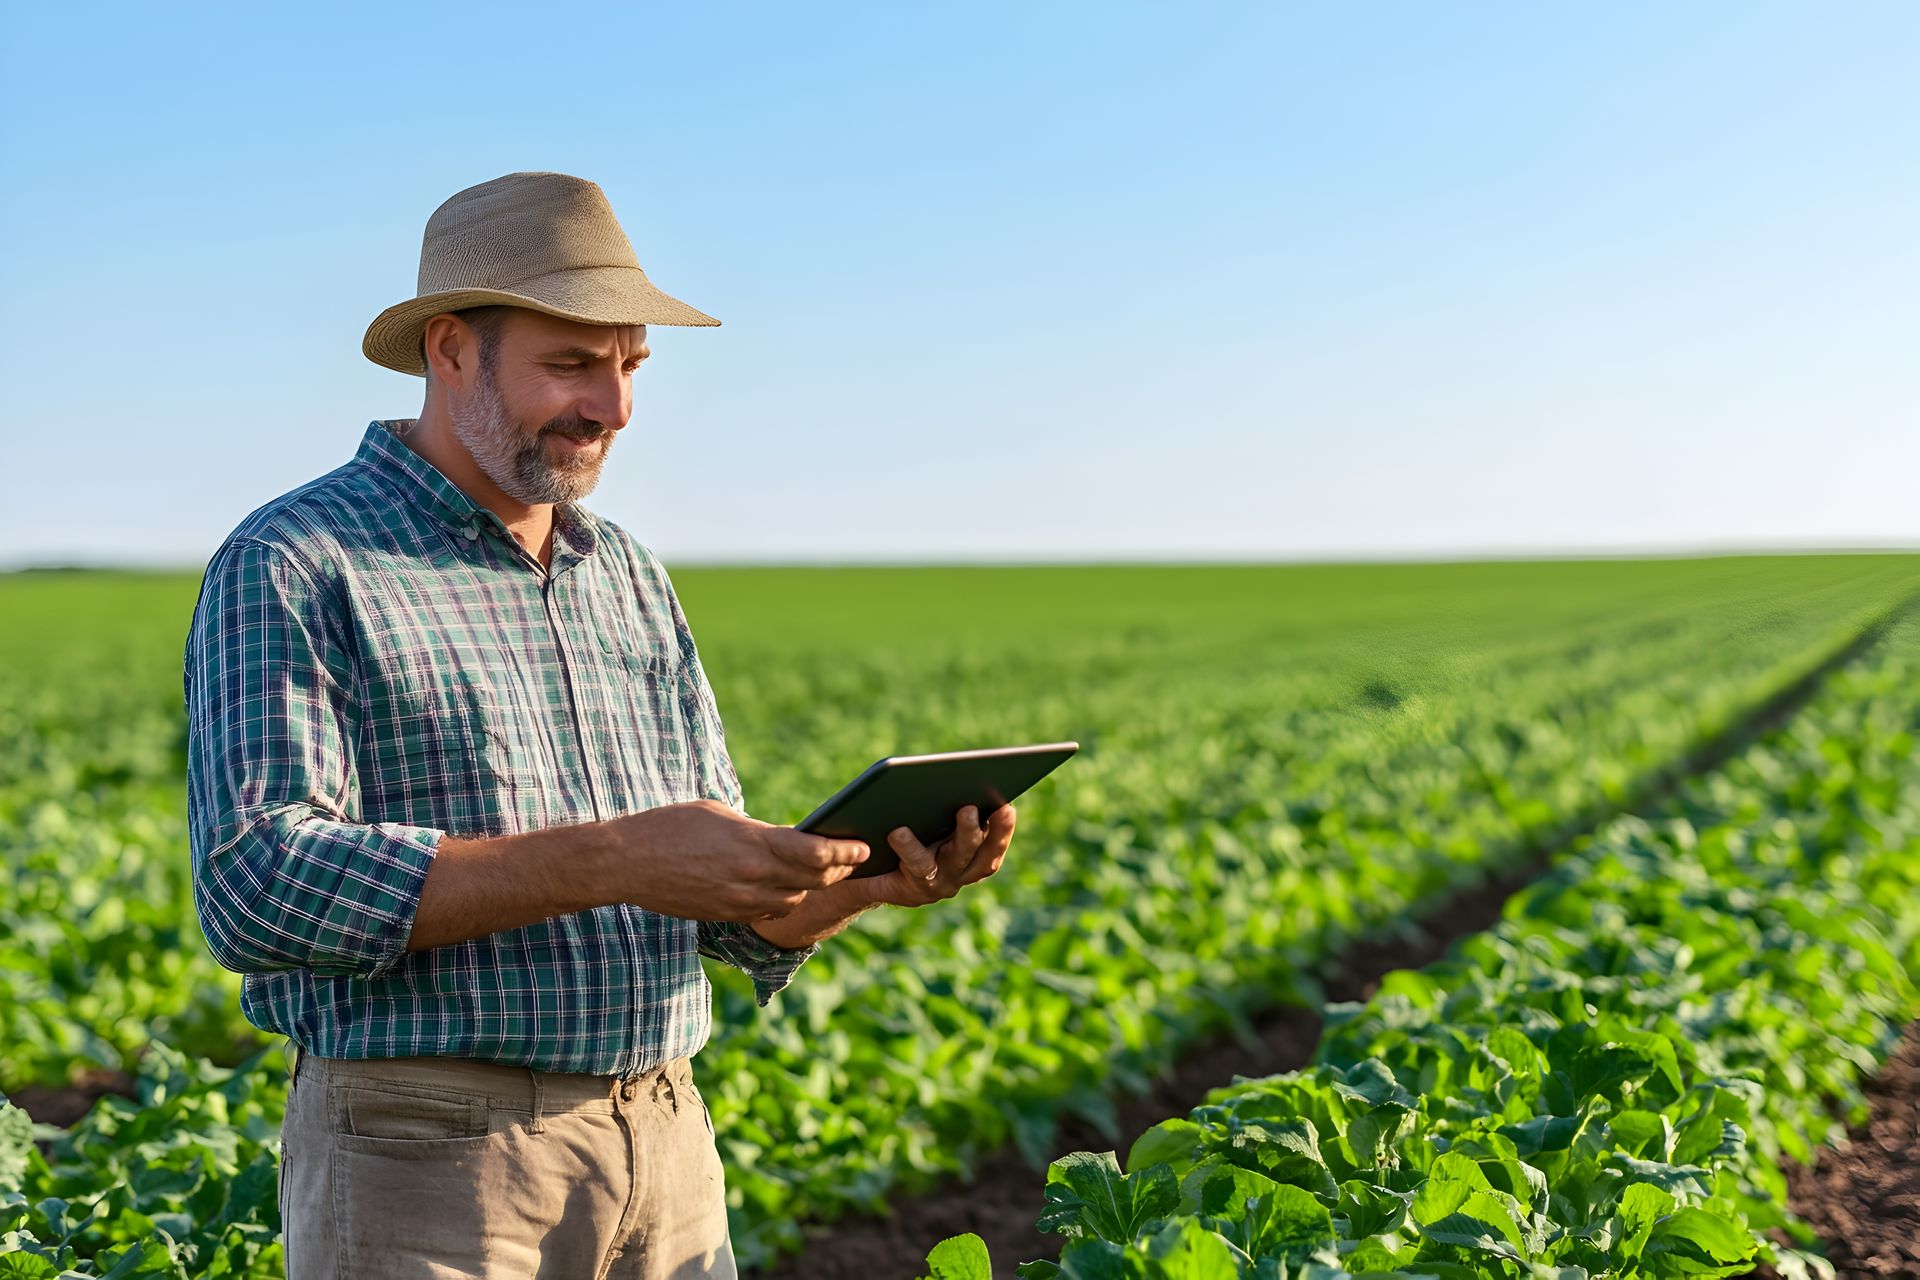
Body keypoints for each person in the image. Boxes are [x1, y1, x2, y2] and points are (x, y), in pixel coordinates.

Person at [182, 170, 1017, 1280]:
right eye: (571, 363)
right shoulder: (299, 559)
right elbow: (259, 883)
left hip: (664, 1144)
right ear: (449, 351)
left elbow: (710, 917)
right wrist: (617, 856)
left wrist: (851, 887)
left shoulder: (624, 571)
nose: (614, 407)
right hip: (429, 1159)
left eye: (629, 365)